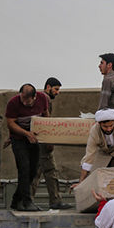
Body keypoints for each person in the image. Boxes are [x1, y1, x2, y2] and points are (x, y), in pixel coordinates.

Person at [5, 83, 50, 211]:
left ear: (35, 97)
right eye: (23, 100)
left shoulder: (42, 99)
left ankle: (16, 201)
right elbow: (10, 123)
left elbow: (46, 115)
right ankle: (26, 202)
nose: (25, 103)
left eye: (28, 102)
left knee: (33, 170)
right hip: (19, 139)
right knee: (23, 168)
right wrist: (26, 133)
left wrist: (48, 135)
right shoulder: (13, 103)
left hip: (35, 139)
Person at [34, 77, 73, 209]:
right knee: (50, 171)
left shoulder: (39, 98)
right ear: (48, 87)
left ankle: (28, 200)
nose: (57, 92)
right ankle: (55, 201)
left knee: (36, 172)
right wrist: (49, 140)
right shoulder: (45, 99)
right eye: (56, 89)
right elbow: (46, 122)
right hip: (43, 142)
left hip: (38, 142)